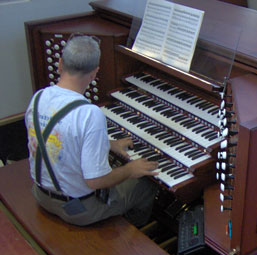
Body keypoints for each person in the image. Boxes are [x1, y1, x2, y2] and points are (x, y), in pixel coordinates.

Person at [25, 33, 159, 227]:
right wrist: (130, 169)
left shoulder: (38, 98)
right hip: (78, 210)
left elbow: (58, 136)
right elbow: (96, 182)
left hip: (41, 195)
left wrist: (108, 144)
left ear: (60, 64)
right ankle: (129, 236)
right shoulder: (89, 113)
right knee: (147, 184)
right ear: (94, 73)